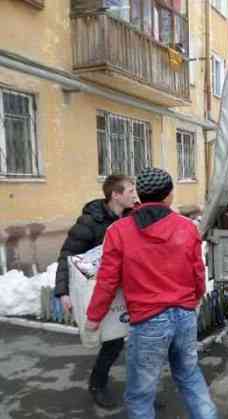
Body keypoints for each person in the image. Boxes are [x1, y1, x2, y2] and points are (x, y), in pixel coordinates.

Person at [85, 167, 218, 419]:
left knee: (140, 394)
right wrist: (197, 298)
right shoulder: (187, 228)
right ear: (169, 195)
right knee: (190, 377)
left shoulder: (119, 231)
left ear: (140, 196)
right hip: (184, 315)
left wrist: (93, 319)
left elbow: (107, 281)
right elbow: (197, 272)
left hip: (148, 321)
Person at [54, 174, 138, 408]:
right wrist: (63, 292)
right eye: (130, 191)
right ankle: (97, 384)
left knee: (140, 339)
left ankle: (141, 392)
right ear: (116, 195)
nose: (135, 195)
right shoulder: (91, 222)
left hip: (132, 287)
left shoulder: (134, 217)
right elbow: (67, 256)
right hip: (103, 290)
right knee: (113, 341)